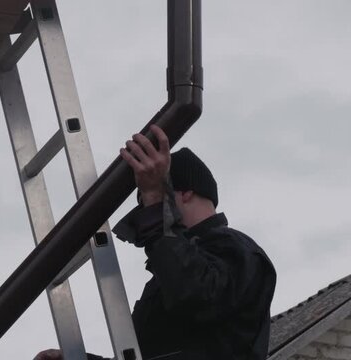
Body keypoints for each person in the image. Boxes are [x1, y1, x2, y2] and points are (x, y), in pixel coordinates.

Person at [35, 125, 276, 360]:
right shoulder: (177, 268)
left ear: (185, 193)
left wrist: (154, 200)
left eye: (149, 200)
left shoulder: (237, 250)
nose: (146, 212)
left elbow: (194, 295)